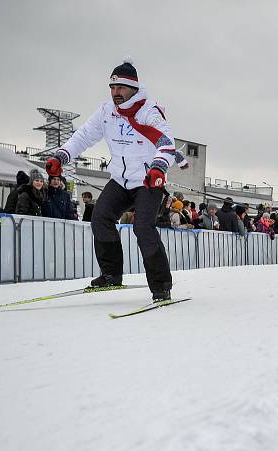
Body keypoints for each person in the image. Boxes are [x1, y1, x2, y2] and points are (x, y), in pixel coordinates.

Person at [44, 58, 186, 301]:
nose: (115, 93)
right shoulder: (106, 111)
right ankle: (111, 275)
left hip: (147, 180)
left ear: (133, 88)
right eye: (112, 87)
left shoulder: (149, 112)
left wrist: (158, 168)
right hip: (120, 179)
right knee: (100, 217)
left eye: (120, 87)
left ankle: (161, 286)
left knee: (142, 227)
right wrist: (62, 155)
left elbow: (166, 144)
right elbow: (84, 136)